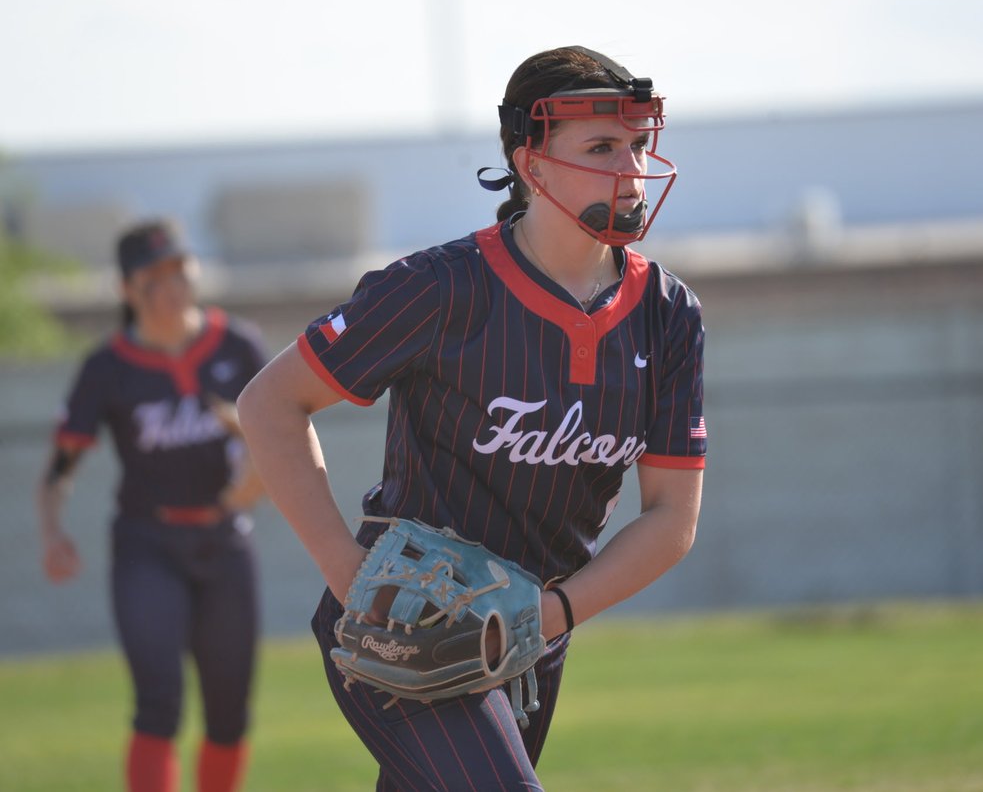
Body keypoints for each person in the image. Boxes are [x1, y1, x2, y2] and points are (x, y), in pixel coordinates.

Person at [237, 45, 707, 790]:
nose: (631, 166)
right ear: (532, 164)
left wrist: (545, 617)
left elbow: (670, 518)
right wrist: (350, 577)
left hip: (527, 641)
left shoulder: (667, 314)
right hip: (408, 622)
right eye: (601, 146)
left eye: (637, 144)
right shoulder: (440, 287)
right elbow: (268, 402)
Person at [36, 219, 269, 792]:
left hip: (225, 539)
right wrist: (52, 530)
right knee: (158, 701)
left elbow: (285, 436)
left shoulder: (237, 345)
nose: (170, 286)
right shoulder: (108, 367)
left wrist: (255, 472)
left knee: (229, 711)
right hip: (148, 543)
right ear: (126, 289)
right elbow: (61, 466)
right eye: (152, 276)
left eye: (179, 271)